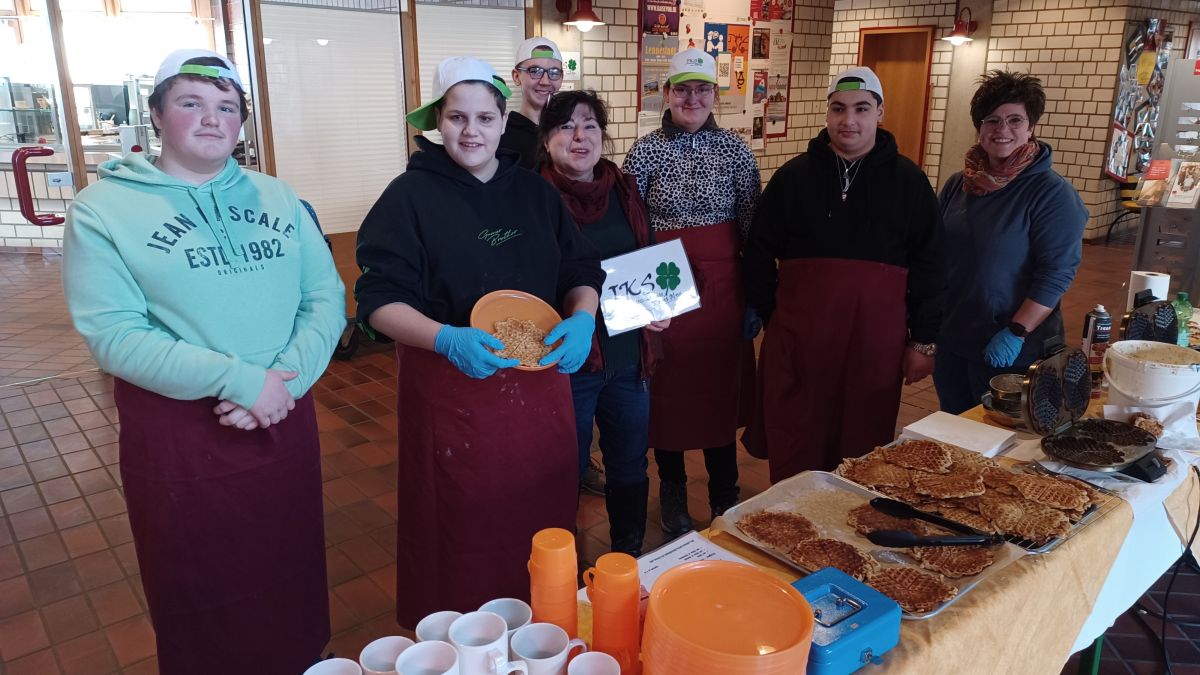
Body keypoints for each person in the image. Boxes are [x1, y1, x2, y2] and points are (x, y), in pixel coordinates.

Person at [62, 49, 345, 673]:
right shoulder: (101, 210)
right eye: (191, 102)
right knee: (201, 581)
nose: (212, 118)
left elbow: (324, 297)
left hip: (285, 411)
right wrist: (242, 381)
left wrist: (286, 383)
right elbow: (114, 334)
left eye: (227, 107)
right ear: (158, 113)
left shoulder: (279, 195)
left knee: (290, 560)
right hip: (183, 435)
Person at [354, 57, 604, 626]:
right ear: (436, 122)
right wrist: (445, 340)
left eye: (485, 118)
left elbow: (579, 267)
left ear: (502, 120)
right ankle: (460, 639)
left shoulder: (535, 195)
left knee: (539, 512)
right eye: (457, 117)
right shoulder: (410, 197)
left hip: (541, 391)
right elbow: (377, 301)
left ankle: (541, 630)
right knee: (460, 526)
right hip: (452, 392)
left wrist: (583, 315)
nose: (472, 131)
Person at [743, 66, 943, 483]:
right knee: (796, 430)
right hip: (800, 336)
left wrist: (923, 339)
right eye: (838, 109)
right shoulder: (792, 177)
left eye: (861, 109)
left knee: (863, 438)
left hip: (874, 341)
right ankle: (788, 517)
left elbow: (931, 263)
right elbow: (758, 249)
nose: (848, 120)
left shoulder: (909, 181)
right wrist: (770, 314)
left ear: (880, 112)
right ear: (827, 113)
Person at [622, 48, 760, 536]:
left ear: (715, 96)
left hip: (724, 282)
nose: (692, 98)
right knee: (668, 392)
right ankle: (674, 492)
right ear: (666, 94)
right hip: (664, 277)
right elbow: (631, 224)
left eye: (702, 89)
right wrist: (635, 299)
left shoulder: (737, 150)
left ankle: (726, 492)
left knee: (720, 389)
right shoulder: (645, 150)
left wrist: (756, 296)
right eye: (682, 89)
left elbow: (751, 224)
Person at [537, 89, 669, 557]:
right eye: (566, 126)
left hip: (627, 354)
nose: (579, 136)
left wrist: (658, 306)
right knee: (563, 467)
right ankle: (560, 566)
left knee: (630, 461)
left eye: (590, 125)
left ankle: (625, 555)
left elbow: (648, 259)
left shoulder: (624, 190)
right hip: (567, 360)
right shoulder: (534, 197)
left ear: (603, 135)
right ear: (546, 139)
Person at [934, 71, 1087, 413]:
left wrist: (1017, 331)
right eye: (992, 120)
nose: (1002, 130)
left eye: (1015, 119)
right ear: (980, 127)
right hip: (955, 338)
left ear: (1031, 127)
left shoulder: (1051, 193)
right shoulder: (959, 184)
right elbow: (937, 253)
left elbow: (1057, 273)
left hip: (1014, 346)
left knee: (1001, 440)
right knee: (953, 427)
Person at [499, 37, 565, 169]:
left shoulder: (566, 129)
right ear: (516, 77)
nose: (545, 81)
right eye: (535, 71)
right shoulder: (501, 133)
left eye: (554, 72)